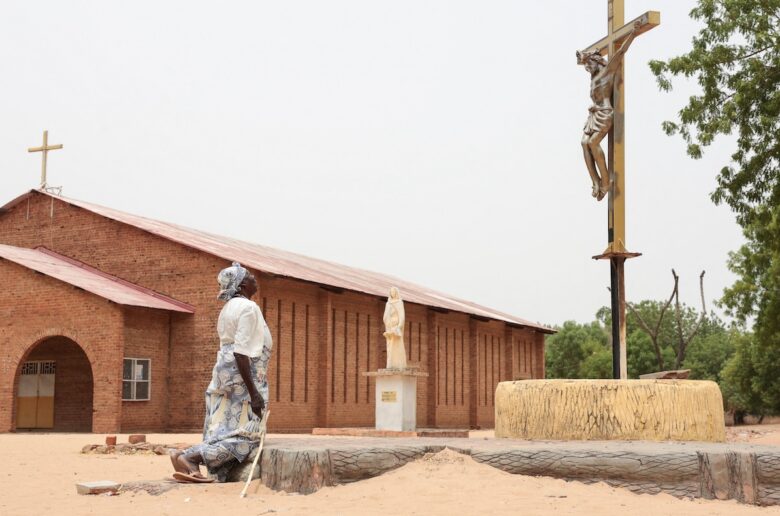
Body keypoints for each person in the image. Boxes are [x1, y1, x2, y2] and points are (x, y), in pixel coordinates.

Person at [170, 262, 273, 483]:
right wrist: (254, 393)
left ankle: (188, 459)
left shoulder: (228, 309)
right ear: (243, 284)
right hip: (245, 377)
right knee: (249, 436)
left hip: (226, 374)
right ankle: (192, 456)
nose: (255, 279)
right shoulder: (248, 308)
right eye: (251, 277)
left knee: (223, 426)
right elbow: (241, 352)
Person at [577, 21, 640, 201]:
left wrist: (633, 34)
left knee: (594, 142)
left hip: (605, 112)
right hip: (594, 114)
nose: (588, 68)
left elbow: (620, 52)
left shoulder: (606, 72)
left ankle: (606, 181)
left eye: (589, 65)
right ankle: (596, 181)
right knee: (584, 143)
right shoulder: (593, 78)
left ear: (596, 62)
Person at [383, 287, 407, 369]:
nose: (392, 293)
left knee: (397, 345)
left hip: (396, 327)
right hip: (389, 327)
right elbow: (385, 316)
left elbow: (402, 316)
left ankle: (399, 364)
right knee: (390, 347)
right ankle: (390, 364)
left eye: (394, 292)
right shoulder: (388, 304)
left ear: (396, 293)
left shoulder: (399, 303)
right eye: (391, 292)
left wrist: (399, 326)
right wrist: (388, 322)